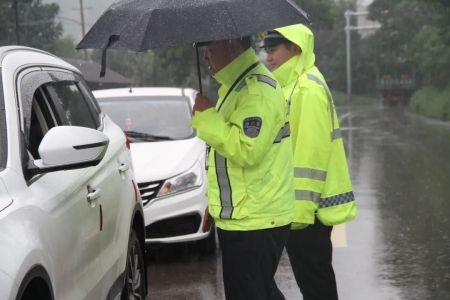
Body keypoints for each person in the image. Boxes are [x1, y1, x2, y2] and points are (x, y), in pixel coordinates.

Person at [191, 37, 294, 300]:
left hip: (255, 218)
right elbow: (228, 160)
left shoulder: (255, 91)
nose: (206, 59)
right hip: (245, 214)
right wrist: (217, 206)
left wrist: (206, 117)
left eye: (210, 50)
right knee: (255, 292)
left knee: (251, 293)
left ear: (233, 45)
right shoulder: (236, 87)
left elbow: (247, 150)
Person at [262, 24, 358, 300]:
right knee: (313, 281)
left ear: (296, 48)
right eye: (266, 51)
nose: (268, 58)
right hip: (303, 207)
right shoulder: (293, 85)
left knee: (316, 283)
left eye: (273, 50)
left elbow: (310, 155)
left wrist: (300, 214)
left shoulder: (307, 88)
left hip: (308, 210)